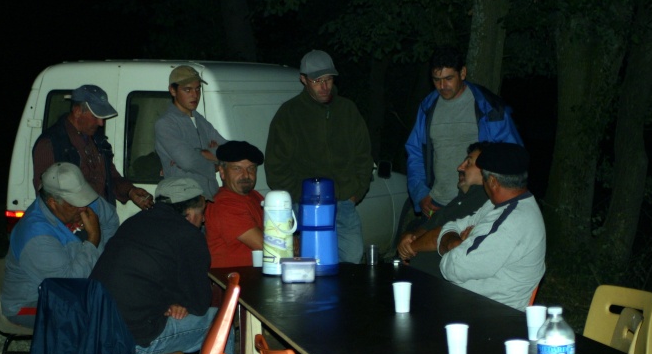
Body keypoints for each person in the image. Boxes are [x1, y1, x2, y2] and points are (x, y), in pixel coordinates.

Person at [90, 178, 239, 354]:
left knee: (161, 319)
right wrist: (176, 300)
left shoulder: (135, 223)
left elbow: (145, 278)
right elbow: (199, 302)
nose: (203, 222)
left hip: (97, 334)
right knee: (220, 322)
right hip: (130, 343)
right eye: (202, 214)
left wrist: (170, 301)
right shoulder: (188, 235)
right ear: (192, 213)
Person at [265, 50, 372, 263]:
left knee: (352, 258)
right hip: (305, 205)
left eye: (328, 79)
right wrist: (298, 197)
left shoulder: (347, 109)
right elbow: (276, 166)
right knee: (312, 263)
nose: (324, 86)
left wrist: (356, 191)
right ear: (303, 80)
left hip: (343, 202)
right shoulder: (289, 114)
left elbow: (364, 155)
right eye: (317, 81)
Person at [405, 45, 522, 221]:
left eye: (448, 78)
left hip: (479, 205)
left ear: (463, 73)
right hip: (438, 204)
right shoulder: (427, 108)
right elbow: (415, 154)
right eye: (436, 80)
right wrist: (421, 193)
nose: (442, 86)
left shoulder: (490, 108)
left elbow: (512, 158)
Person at [2, 162, 119, 327]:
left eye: (83, 198)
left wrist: (105, 261)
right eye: (74, 204)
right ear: (53, 203)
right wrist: (93, 239)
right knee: (96, 313)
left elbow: (110, 220)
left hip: (77, 290)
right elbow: (68, 285)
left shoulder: (83, 202)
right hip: (32, 302)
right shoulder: (35, 234)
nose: (82, 207)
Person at [436, 143, 545, 311]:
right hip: (474, 306)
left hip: (493, 317)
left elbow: (451, 268)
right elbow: (453, 225)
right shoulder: (500, 205)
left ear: (493, 181)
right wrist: (456, 244)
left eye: (484, 178)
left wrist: (453, 243)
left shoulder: (512, 222)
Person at [33, 84, 153, 210]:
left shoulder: (97, 140)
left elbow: (111, 177)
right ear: (78, 111)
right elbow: (46, 195)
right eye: (96, 116)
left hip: (103, 216)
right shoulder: (50, 144)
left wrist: (130, 191)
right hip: (76, 223)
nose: (101, 123)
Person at [397, 142, 490, 278]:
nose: (459, 168)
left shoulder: (486, 203)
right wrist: (408, 238)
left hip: (441, 286)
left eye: (468, 163)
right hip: (417, 277)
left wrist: (412, 246)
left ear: (486, 170)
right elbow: (426, 228)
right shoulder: (457, 202)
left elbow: (441, 235)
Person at [155, 65, 227, 200]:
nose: (195, 95)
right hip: (184, 200)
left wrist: (206, 153)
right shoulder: (165, 124)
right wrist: (216, 165)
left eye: (197, 89)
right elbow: (188, 161)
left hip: (210, 197)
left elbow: (230, 150)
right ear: (173, 90)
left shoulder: (200, 120)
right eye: (187, 89)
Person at [205, 140, 265, 268]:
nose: (246, 175)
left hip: (256, 277)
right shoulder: (224, 204)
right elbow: (266, 245)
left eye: (251, 168)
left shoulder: (255, 196)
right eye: (237, 169)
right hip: (233, 281)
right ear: (222, 172)